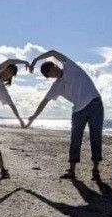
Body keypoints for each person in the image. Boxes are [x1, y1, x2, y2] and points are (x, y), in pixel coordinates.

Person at [26, 50, 104, 181]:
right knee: (75, 139)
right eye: (50, 73)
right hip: (78, 110)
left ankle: (95, 169)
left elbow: (52, 52)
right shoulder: (56, 86)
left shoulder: (70, 66)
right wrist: (33, 116)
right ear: (49, 76)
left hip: (95, 103)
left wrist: (35, 60)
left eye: (52, 68)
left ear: (55, 65)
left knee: (95, 136)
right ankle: (72, 170)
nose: (53, 71)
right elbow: (44, 102)